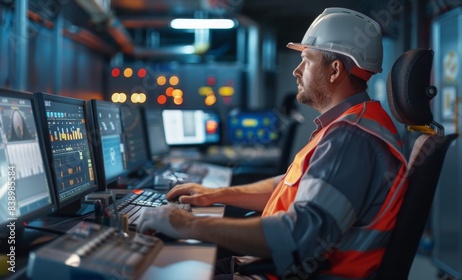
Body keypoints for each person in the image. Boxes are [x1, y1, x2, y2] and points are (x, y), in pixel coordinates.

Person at [137, 7, 408, 280]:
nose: (296, 71)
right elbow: (286, 185)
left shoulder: (352, 138)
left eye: (306, 60)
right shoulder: (350, 125)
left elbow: (297, 236)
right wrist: (215, 195)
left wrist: (188, 225)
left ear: (335, 70)